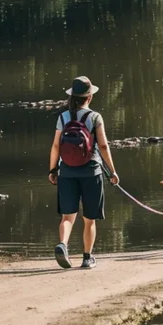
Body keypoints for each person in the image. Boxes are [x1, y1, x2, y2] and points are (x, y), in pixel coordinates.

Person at [48, 76, 119, 269]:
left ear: (72, 97)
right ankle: (87, 258)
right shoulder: (95, 117)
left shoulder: (63, 117)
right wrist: (112, 171)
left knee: (67, 217)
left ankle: (63, 244)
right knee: (90, 219)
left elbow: (56, 146)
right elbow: (103, 145)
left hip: (67, 172)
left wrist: (53, 169)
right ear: (89, 97)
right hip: (91, 172)